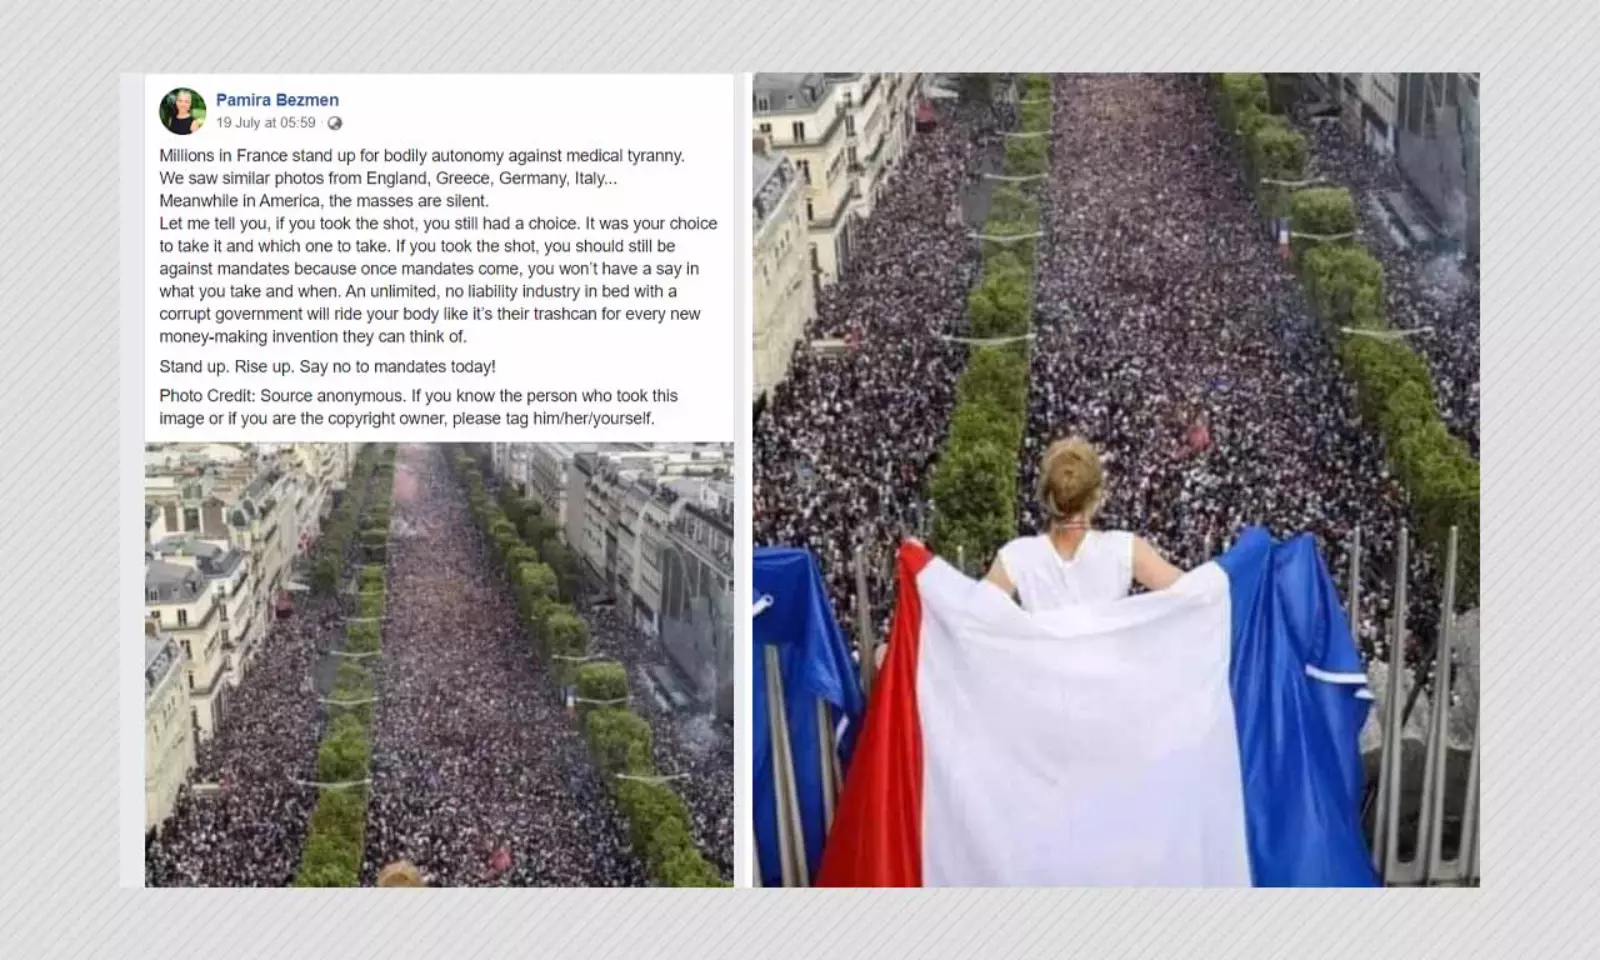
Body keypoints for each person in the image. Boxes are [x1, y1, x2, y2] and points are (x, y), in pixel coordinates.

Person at [984, 437, 1183, 611]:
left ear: (1044, 493)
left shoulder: (1016, 557)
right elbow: (1196, 593)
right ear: (1096, 497)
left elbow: (972, 617)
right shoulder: (1124, 549)